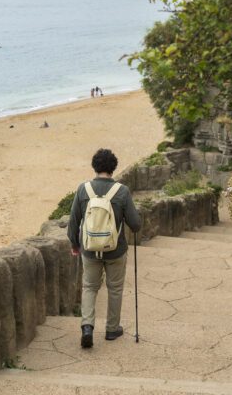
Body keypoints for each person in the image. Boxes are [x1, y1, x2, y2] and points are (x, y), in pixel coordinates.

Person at [67, 149, 142, 348]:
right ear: (113, 167)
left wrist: (75, 245)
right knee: (115, 288)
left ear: (95, 166)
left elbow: (73, 222)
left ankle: (87, 326)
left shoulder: (83, 190)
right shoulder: (122, 191)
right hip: (115, 250)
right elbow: (135, 224)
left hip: (90, 249)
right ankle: (111, 329)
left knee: (90, 287)